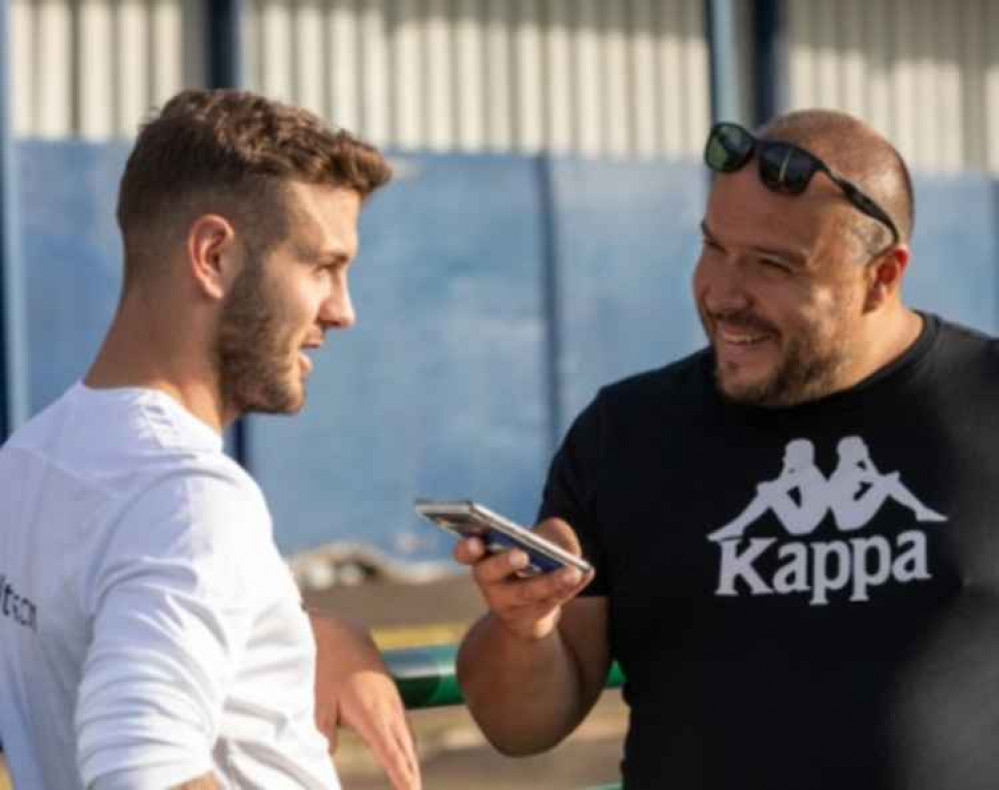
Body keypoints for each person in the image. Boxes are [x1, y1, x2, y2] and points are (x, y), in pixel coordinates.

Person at [453, 109, 999, 788]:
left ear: (881, 276)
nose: (722, 294)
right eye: (713, 247)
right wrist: (523, 628)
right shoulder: (626, 435)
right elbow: (520, 727)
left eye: (773, 266)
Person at [0, 89, 421, 790]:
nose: (342, 311)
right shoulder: (188, 497)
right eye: (323, 265)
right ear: (215, 255)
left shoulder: (32, 459)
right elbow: (145, 771)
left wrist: (300, 629)